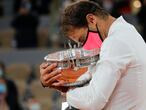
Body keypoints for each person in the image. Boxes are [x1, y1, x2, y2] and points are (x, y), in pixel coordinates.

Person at [40, 1, 146, 110]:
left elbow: (92, 100)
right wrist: (62, 83)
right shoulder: (126, 32)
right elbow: (91, 78)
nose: (85, 47)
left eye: (83, 40)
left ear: (92, 20)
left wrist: (68, 93)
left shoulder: (115, 42)